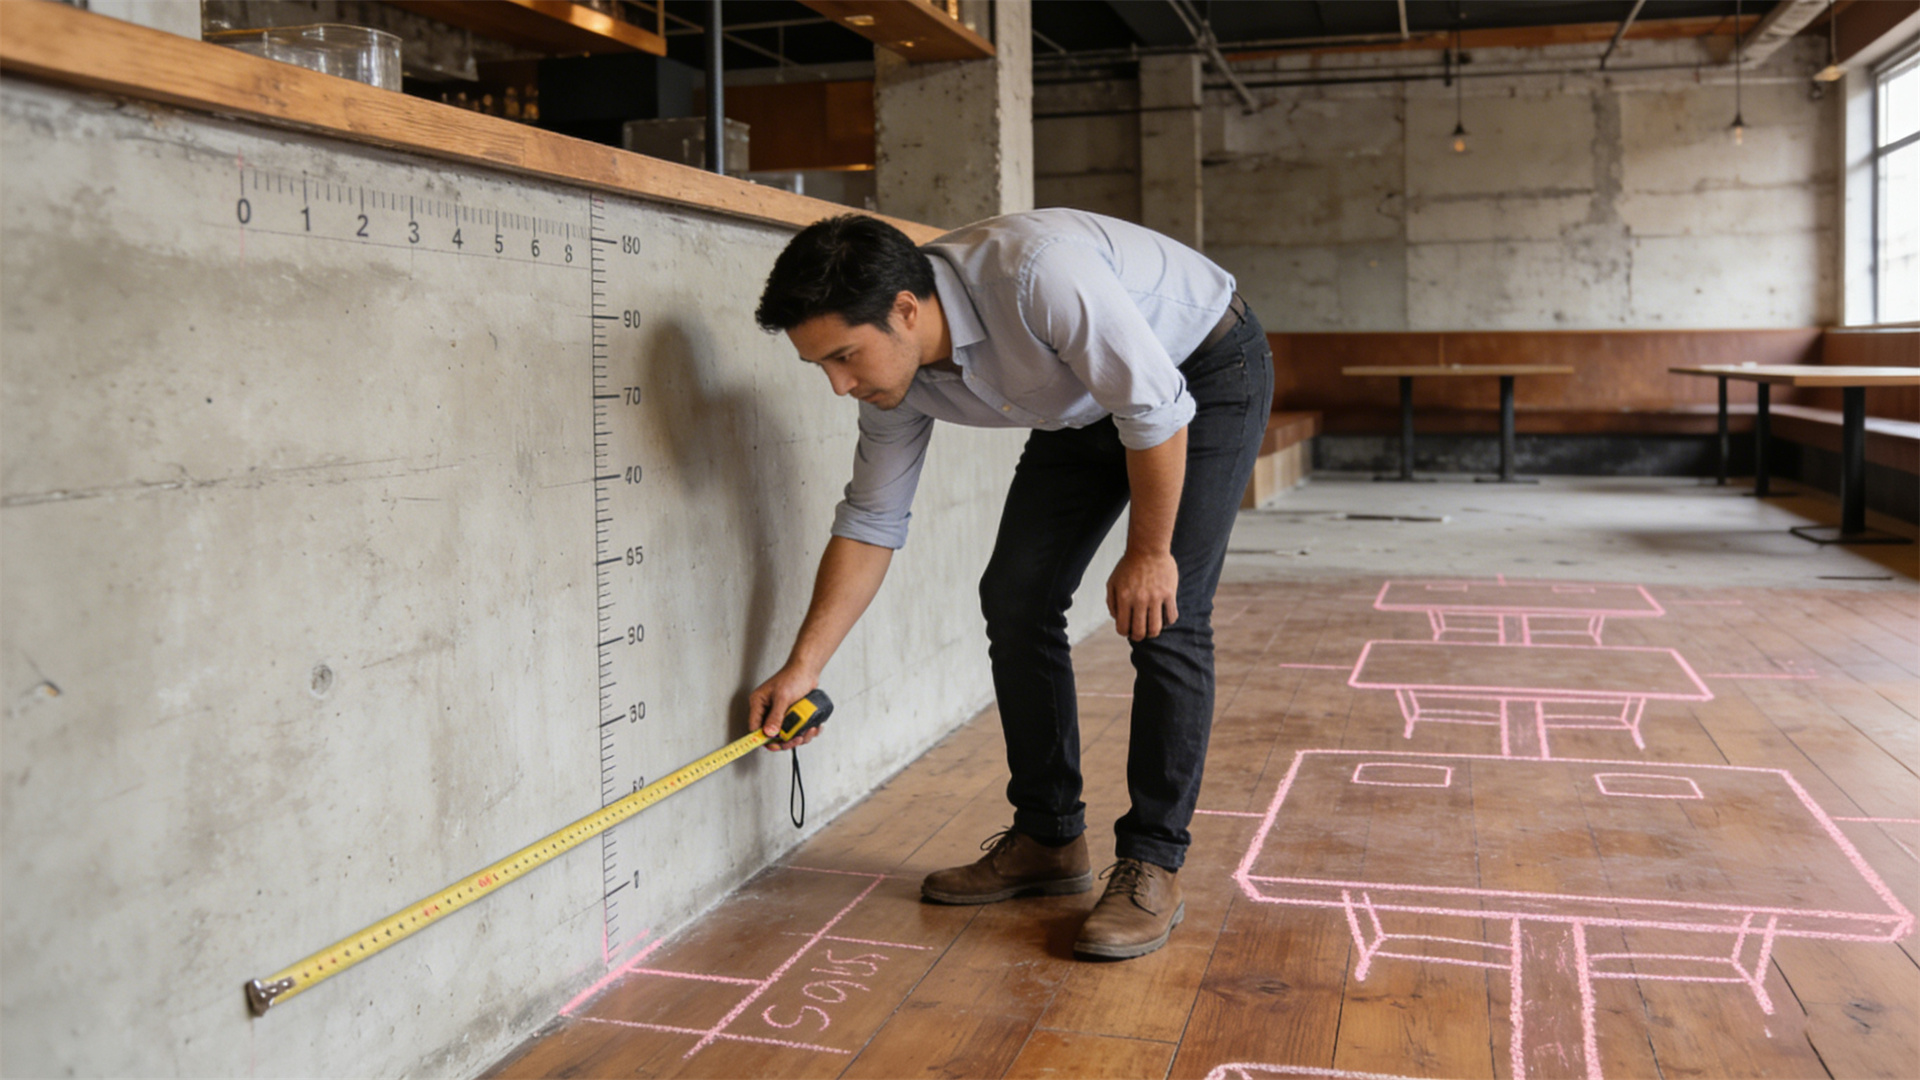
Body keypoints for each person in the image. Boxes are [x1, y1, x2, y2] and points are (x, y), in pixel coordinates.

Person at [747, 208, 1272, 960]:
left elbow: (1155, 408)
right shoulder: (893, 382)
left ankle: (1153, 861)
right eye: (820, 367)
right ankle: (1049, 839)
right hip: (1087, 401)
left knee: (1166, 611)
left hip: (1199, 368)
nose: (839, 385)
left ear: (904, 310)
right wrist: (804, 666)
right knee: (1016, 597)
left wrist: (1150, 552)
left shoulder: (1039, 277)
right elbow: (871, 519)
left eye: (844, 357)